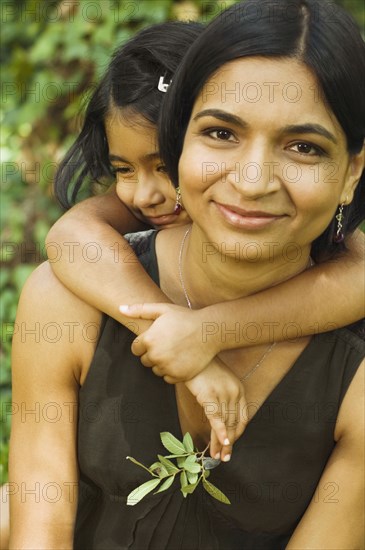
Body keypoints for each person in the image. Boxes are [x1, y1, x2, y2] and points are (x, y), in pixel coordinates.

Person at [9, 0, 365, 547]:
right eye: (222, 133)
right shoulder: (70, 301)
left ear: (352, 173)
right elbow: (41, 526)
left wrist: (210, 332)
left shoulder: (352, 365)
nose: (251, 181)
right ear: (178, 142)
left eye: (303, 146)